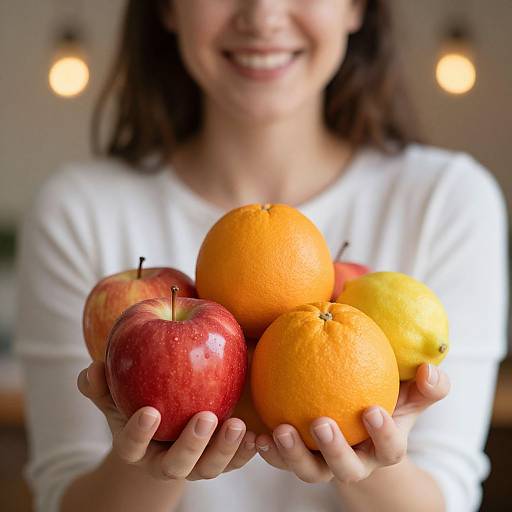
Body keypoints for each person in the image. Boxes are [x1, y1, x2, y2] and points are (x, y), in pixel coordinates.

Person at [14, 1, 508, 511]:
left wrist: (372, 468)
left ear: (356, 7)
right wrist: (147, 469)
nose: (263, 14)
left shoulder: (448, 199)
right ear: (166, 7)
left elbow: (448, 495)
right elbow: (61, 495)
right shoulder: (77, 210)